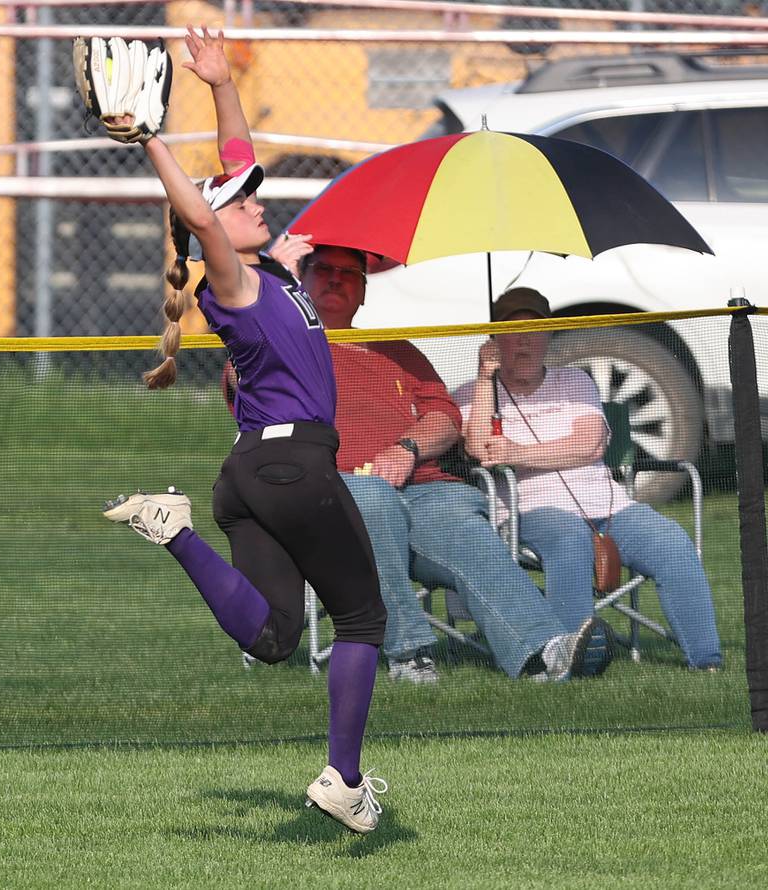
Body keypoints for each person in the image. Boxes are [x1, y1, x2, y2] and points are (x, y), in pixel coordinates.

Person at [101, 28, 388, 834]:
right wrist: (152, 135)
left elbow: (235, 165)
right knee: (363, 619)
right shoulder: (227, 279)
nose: (259, 200)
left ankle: (176, 532)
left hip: (246, 481)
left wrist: (223, 85)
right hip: (295, 465)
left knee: (273, 636)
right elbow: (199, 209)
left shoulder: (270, 272)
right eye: (243, 204)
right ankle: (345, 778)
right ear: (218, 230)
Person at [279, 243, 615, 684]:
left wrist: (407, 448)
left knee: (465, 531)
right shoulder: (279, 351)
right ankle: (409, 653)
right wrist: (278, 297)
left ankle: (545, 652)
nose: (337, 279)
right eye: (324, 270)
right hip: (336, 494)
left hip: (425, 488)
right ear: (301, 281)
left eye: (350, 274)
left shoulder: (396, 351)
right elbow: (244, 393)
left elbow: (445, 418)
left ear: (364, 292)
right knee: (374, 499)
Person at [458, 286, 722, 671]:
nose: (526, 341)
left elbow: (589, 445)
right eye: (514, 331)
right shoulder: (473, 394)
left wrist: (517, 454)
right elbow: (480, 450)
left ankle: (707, 661)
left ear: (551, 335)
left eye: (536, 330)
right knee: (568, 535)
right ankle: (570, 658)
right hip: (528, 511)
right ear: (495, 339)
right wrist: (485, 380)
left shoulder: (575, 382)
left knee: (670, 539)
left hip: (609, 505)